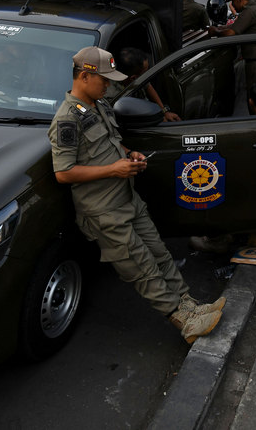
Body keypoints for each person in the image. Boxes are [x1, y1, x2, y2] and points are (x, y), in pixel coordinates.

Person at [48, 46, 225, 342]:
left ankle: (189, 304)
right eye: (103, 79)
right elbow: (63, 173)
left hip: (127, 199)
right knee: (142, 268)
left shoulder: (99, 105)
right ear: (84, 76)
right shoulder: (67, 120)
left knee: (159, 254)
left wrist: (130, 154)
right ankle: (183, 322)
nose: (108, 84)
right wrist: (112, 170)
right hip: (105, 211)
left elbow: (111, 144)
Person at [208, 0, 256, 108]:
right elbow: (236, 25)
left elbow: (230, 33)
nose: (232, 5)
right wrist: (222, 27)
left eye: (233, 1)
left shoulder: (249, 11)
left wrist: (215, 31)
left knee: (255, 106)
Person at [106, 47, 181, 122]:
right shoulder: (113, 96)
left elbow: (148, 86)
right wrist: (160, 119)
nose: (148, 74)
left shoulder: (135, 77)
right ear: (133, 78)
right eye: (145, 72)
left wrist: (164, 111)